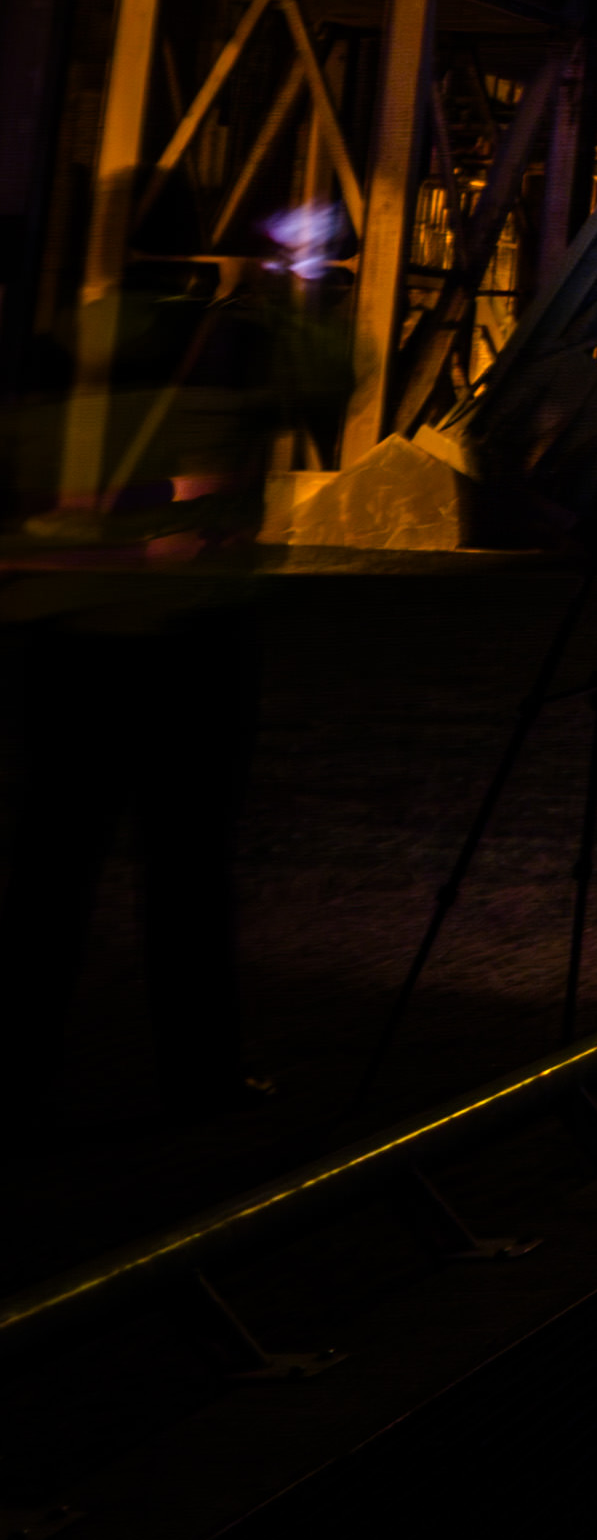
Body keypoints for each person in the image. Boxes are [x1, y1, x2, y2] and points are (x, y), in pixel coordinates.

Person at [2, 210, 348, 1122]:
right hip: (190, 637)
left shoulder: (51, 348)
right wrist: (302, 287)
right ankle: (199, 1074)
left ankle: (19, 1072)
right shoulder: (230, 341)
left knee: (49, 870)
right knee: (187, 870)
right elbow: (329, 387)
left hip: (66, 635)